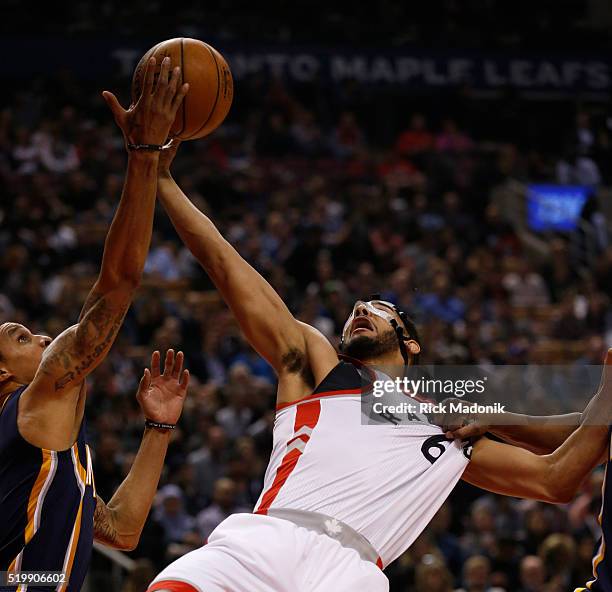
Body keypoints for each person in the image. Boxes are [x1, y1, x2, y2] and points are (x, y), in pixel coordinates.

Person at [146, 140, 612, 592]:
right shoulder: (319, 367)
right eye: (355, 308)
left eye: (377, 306)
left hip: (354, 568)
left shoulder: (450, 426)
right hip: (267, 539)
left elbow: (557, 478)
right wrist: (162, 179)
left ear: (409, 341)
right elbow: (227, 267)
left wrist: (601, 389)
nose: (359, 309)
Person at [0, 56, 189, 591]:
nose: (39, 335)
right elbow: (118, 283)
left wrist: (158, 428)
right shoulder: (32, 403)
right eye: (18, 337)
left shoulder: (44, 445)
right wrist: (143, 156)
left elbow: (122, 532)